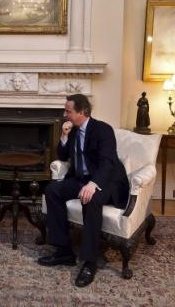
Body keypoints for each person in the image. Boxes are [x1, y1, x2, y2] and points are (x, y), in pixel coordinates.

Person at [38, 94, 129, 287]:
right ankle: (64, 251)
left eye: (68, 111)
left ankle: (89, 262)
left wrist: (93, 184)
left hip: (107, 180)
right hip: (80, 178)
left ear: (82, 112)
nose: (65, 115)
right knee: (52, 190)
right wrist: (63, 136)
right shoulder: (73, 131)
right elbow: (62, 155)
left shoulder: (103, 130)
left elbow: (108, 162)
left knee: (91, 199)